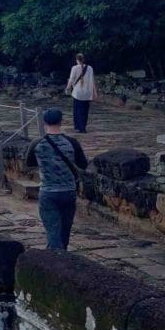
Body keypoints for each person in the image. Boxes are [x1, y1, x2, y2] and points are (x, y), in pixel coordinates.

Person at [25, 108, 88, 250]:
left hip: (48, 191)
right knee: (65, 233)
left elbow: (29, 164)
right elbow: (83, 164)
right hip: (68, 191)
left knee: (53, 233)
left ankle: (56, 263)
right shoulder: (72, 142)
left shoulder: (37, 144)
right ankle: (62, 260)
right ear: (61, 121)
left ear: (44, 122)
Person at [66, 53, 98, 133]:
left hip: (78, 92)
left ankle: (78, 127)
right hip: (87, 92)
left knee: (77, 110)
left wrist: (67, 88)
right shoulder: (90, 68)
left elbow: (71, 79)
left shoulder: (75, 68)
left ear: (77, 60)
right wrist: (95, 91)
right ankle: (83, 126)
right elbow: (92, 80)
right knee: (85, 110)